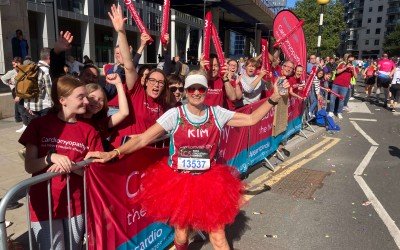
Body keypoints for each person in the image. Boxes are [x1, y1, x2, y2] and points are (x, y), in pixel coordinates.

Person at [86, 70, 289, 250]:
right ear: (185, 91)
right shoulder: (175, 114)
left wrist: (273, 98)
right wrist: (114, 153)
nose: (196, 93)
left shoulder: (216, 113)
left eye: (200, 88)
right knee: (181, 235)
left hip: (210, 181)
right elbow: (142, 138)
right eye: (191, 89)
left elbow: (251, 119)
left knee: (218, 236)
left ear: (206, 90)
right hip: (179, 182)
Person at [19, 75, 103, 249]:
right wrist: (50, 158)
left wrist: (71, 165)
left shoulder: (89, 130)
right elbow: (29, 166)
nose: (86, 101)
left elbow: (97, 170)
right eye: (81, 97)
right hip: (44, 202)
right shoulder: (39, 124)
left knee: (74, 247)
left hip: (76, 203)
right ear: (63, 100)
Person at [80, 73, 129, 150]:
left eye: (101, 100)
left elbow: (124, 113)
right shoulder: (72, 119)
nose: (97, 101)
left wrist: (118, 85)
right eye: (92, 97)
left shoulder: (101, 123)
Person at [23, 48, 53, 127]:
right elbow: (50, 91)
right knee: (46, 130)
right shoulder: (45, 70)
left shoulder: (30, 69)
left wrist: (27, 106)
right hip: (45, 106)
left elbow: (25, 88)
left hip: (31, 107)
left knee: (36, 130)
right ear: (49, 57)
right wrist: (55, 105)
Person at [328, 54, 358, 119]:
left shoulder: (354, 67)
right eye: (350, 60)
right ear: (347, 59)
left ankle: (339, 112)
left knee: (342, 100)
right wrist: (345, 67)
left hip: (345, 85)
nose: (351, 61)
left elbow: (355, 76)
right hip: (336, 84)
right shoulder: (342, 64)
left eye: (352, 60)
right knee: (332, 98)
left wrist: (353, 69)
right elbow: (337, 72)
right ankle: (331, 111)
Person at [1, 57, 23, 123]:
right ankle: (20, 118)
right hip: (15, 90)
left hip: (21, 89)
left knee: (18, 103)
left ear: (19, 63)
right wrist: (9, 83)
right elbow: (3, 78)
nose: (13, 66)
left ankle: (17, 117)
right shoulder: (12, 72)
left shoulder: (22, 70)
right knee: (19, 104)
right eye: (13, 65)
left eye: (14, 64)